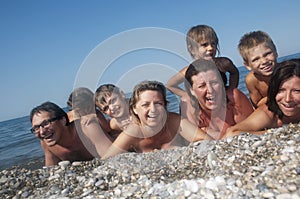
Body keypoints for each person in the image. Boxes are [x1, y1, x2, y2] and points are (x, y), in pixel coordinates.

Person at [102, 80, 211, 159]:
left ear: (165, 106)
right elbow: (106, 160)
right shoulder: (134, 131)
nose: (153, 110)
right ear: (135, 109)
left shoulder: (173, 121)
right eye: (145, 105)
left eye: (158, 103)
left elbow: (208, 141)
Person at [225, 59, 300, 137]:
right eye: (280, 90)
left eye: (296, 91)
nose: (287, 99)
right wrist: (280, 132)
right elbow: (232, 133)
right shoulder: (269, 113)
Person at [184, 58, 254, 139]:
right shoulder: (191, 108)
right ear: (192, 91)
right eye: (202, 86)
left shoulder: (234, 98)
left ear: (222, 83)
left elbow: (252, 132)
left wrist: (208, 132)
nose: (210, 90)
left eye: (214, 83)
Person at [166, 24, 239, 100]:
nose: (210, 48)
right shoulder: (188, 70)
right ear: (192, 49)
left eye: (213, 43)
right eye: (204, 45)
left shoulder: (223, 63)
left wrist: (231, 90)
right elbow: (170, 85)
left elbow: (234, 72)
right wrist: (190, 96)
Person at [30, 101, 100, 166]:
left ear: (63, 120)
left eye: (46, 123)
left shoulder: (85, 129)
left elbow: (109, 156)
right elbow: (50, 170)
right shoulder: (47, 142)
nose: (42, 132)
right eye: (36, 128)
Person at [238, 30, 278, 108]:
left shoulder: (286, 70)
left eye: (267, 54)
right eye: (256, 59)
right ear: (247, 65)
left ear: (275, 52)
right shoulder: (252, 80)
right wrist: (277, 94)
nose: (264, 61)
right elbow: (257, 103)